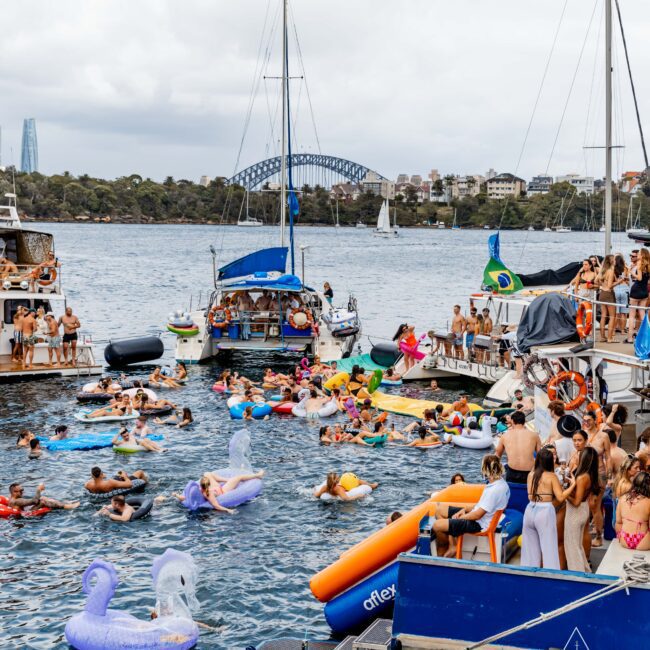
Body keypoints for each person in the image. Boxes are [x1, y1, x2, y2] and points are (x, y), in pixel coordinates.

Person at [432, 455, 510, 558]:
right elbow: (480, 506)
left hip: (479, 524)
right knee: (439, 510)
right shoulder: (501, 483)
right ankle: (453, 546)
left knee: (437, 526)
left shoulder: (494, 490)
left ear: (485, 469)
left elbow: (477, 515)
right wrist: (464, 510)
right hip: (479, 517)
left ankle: (441, 555)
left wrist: (460, 517)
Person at [520, 448, 576, 570]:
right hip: (544, 511)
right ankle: (551, 575)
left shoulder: (530, 475)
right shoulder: (551, 476)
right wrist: (573, 485)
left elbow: (530, 494)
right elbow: (560, 497)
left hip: (530, 509)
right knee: (549, 548)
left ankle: (528, 575)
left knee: (529, 549)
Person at [564, 447, 599, 573]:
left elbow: (576, 502)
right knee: (577, 546)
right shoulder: (590, 475)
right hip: (584, 510)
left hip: (576, 512)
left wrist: (564, 493)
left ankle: (577, 575)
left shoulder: (582, 477)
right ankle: (585, 571)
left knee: (572, 547)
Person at [173, 470, 265, 514]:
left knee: (207, 474)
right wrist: (228, 510)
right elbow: (216, 505)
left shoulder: (200, 490)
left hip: (215, 488)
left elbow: (184, 498)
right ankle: (258, 475)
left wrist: (176, 495)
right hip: (222, 491)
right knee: (238, 478)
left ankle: (227, 479)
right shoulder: (209, 494)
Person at [582, 410, 611, 547]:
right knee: (586, 505)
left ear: (595, 420)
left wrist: (610, 476)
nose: (586, 423)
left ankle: (599, 537)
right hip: (584, 474)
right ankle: (587, 533)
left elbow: (608, 457)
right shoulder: (583, 435)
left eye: (588, 420)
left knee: (595, 503)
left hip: (599, 473)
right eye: (584, 420)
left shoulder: (603, 436)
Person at [495, 410, 541, 483]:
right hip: (529, 472)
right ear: (524, 421)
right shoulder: (535, 436)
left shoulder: (504, 436)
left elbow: (497, 455)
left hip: (512, 471)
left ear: (512, 421)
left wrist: (495, 472)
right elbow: (540, 456)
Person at [615, 471, 650, 550]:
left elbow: (618, 522)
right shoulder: (648, 501)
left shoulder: (623, 498)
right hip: (643, 540)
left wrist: (620, 536)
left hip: (625, 538)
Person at [626, 247, 650, 343]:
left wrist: (631, 271)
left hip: (636, 290)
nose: (638, 255)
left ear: (642, 255)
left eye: (639, 253)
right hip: (644, 291)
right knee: (643, 315)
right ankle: (647, 336)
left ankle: (630, 338)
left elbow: (639, 278)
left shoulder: (640, 263)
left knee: (631, 315)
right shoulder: (648, 265)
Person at [7, 482, 79, 511]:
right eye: (21, 490)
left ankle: (64, 503)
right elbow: (35, 501)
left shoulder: (11, 498)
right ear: (14, 492)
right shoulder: (17, 501)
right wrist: (38, 490)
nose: (23, 492)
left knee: (42, 498)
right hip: (27, 516)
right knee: (42, 500)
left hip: (22, 513)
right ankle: (67, 507)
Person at [595, 254, 617, 343]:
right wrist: (619, 281)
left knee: (604, 315)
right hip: (608, 294)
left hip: (602, 294)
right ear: (611, 261)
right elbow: (610, 286)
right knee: (612, 316)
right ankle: (610, 338)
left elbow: (595, 281)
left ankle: (602, 337)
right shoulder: (611, 271)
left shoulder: (602, 271)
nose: (615, 261)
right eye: (614, 260)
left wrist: (602, 286)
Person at [313, 472, 378, 501]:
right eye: (338, 478)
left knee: (358, 481)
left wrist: (315, 489)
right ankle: (373, 485)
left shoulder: (325, 487)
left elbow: (316, 495)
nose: (339, 478)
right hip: (347, 489)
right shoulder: (338, 489)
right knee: (358, 481)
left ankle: (372, 485)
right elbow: (346, 499)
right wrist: (359, 495)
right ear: (337, 481)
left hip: (340, 487)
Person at [613, 253, 630, 333]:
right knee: (624, 312)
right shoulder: (626, 268)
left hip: (616, 288)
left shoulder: (613, 268)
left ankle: (613, 330)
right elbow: (628, 279)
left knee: (616, 312)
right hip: (624, 288)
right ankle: (623, 330)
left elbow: (613, 280)